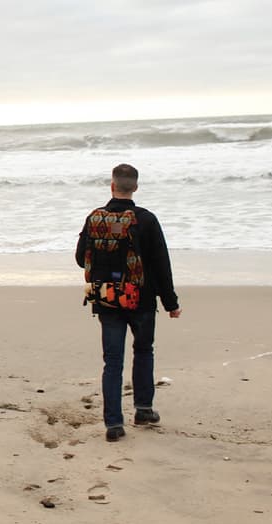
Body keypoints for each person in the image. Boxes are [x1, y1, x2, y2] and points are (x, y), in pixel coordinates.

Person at [75, 164, 181, 442]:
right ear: (135, 187)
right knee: (143, 351)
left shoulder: (94, 218)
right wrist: (171, 303)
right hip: (141, 299)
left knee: (112, 361)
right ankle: (143, 409)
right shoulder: (146, 220)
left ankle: (113, 424)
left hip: (107, 298)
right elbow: (161, 265)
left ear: (112, 185)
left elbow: (79, 258)